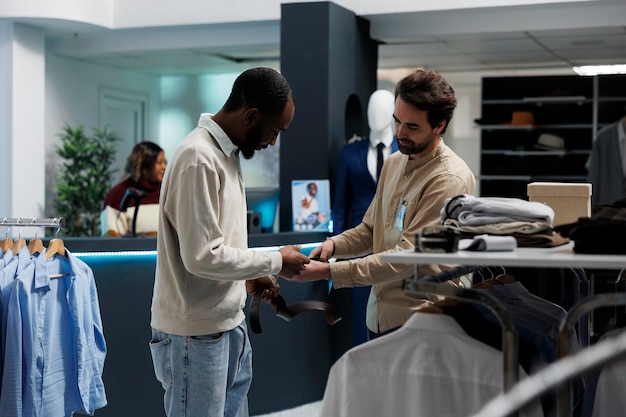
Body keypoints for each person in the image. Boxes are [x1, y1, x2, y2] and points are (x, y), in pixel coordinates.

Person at [149, 67, 310, 417]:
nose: (273, 142)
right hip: (196, 335)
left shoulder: (226, 154)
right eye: (274, 131)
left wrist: (247, 275)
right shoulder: (198, 158)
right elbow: (202, 257)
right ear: (251, 115)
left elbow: (219, 245)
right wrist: (275, 260)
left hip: (228, 326)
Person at [289, 68, 476, 338]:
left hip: (422, 322)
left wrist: (330, 272)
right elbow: (370, 228)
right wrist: (333, 245)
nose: (400, 132)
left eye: (412, 127)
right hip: (379, 315)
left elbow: (407, 258)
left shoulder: (449, 179)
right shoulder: (393, 163)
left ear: (439, 125)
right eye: (396, 121)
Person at [332, 88, 399, 346]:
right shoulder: (350, 153)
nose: (376, 115)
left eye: (382, 108)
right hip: (359, 241)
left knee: (393, 307)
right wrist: (335, 246)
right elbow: (340, 205)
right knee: (362, 313)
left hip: (395, 242)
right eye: (372, 108)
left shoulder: (403, 152)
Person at [100, 141, 167, 236]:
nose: (164, 167)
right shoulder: (118, 195)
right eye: (159, 162)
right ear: (144, 164)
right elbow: (111, 238)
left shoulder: (168, 192)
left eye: (165, 162)